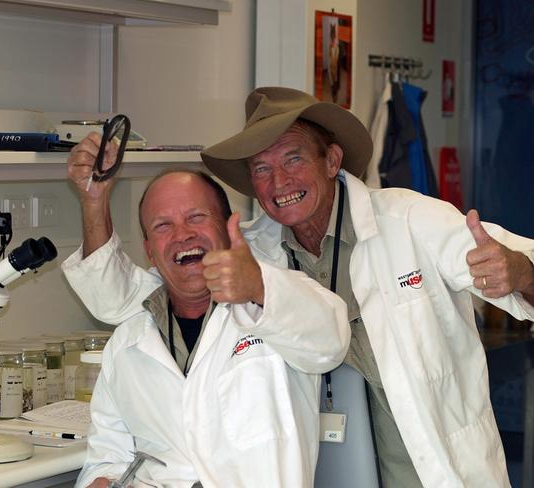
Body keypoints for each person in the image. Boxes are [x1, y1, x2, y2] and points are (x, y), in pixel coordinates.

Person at [63, 87, 534, 487]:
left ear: (331, 160)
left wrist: (521, 273)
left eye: (292, 159)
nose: (279, 181)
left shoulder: (414, 221)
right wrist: (93, 202)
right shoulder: (249, 249)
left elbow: (521, 266)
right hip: (326, 471)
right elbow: (129, 299)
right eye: (262, 170)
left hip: (431, 470)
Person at [65, 170, 350, 487]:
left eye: (196, 217)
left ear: (230, 229)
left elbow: (330, 342)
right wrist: (101, 480)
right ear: (149, 250)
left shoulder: (275, 300)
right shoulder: (127, 343)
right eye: (163, 226)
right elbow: (107, 457)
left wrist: (257, 286)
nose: (182, 234)